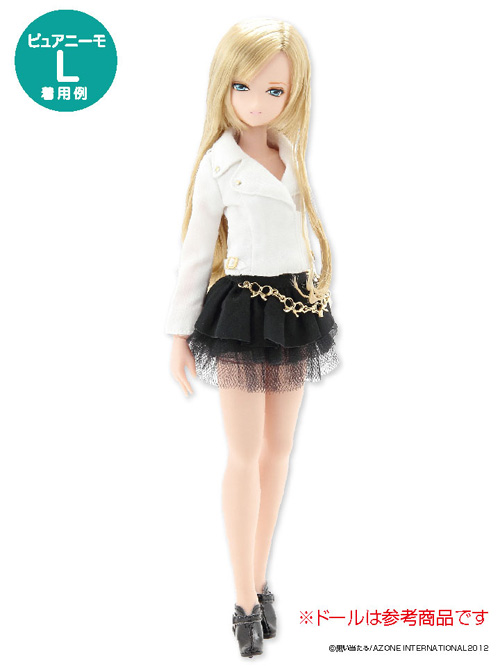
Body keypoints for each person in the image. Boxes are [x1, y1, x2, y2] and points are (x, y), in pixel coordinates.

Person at [164, 17, 340, 657]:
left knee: (277, 450)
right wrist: (178, 332)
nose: (259, 102)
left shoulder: (290, 154)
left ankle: (260, 581)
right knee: (243, 454)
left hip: (291, 306)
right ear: (224, 86)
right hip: (241, 311)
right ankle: (242, 601)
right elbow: (195, 252)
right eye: (244, 87)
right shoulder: (219, 164)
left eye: (275, 90)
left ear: (294, 94)